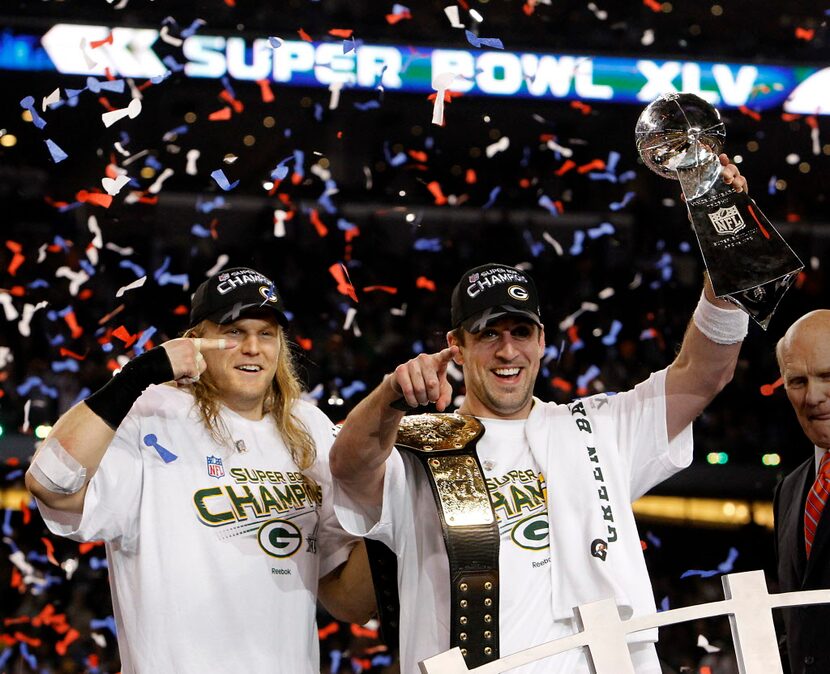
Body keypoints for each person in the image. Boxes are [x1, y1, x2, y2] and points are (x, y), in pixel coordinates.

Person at [329, 158, 749, 673]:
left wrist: (728, 244)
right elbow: (348, 468)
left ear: (542, 341)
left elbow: (705, 374)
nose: (508, 350)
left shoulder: (598, 428)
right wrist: (389, 396)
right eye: (488, 334)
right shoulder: (420, 443)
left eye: (520, 332)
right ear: (456, 347)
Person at [25, 266, 375, 674]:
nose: (252, 347)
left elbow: (349, 601)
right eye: (233, 331)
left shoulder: (309, 427)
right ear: (193, 341)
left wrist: (391, 509)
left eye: (266, 333)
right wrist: (137, 376)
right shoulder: (152, 413)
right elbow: (49, 482)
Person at [773, 310, 830, 674]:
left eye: (828, 376)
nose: (813, 396)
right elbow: (800, 625)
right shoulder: (789, 490)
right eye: (797, 381)